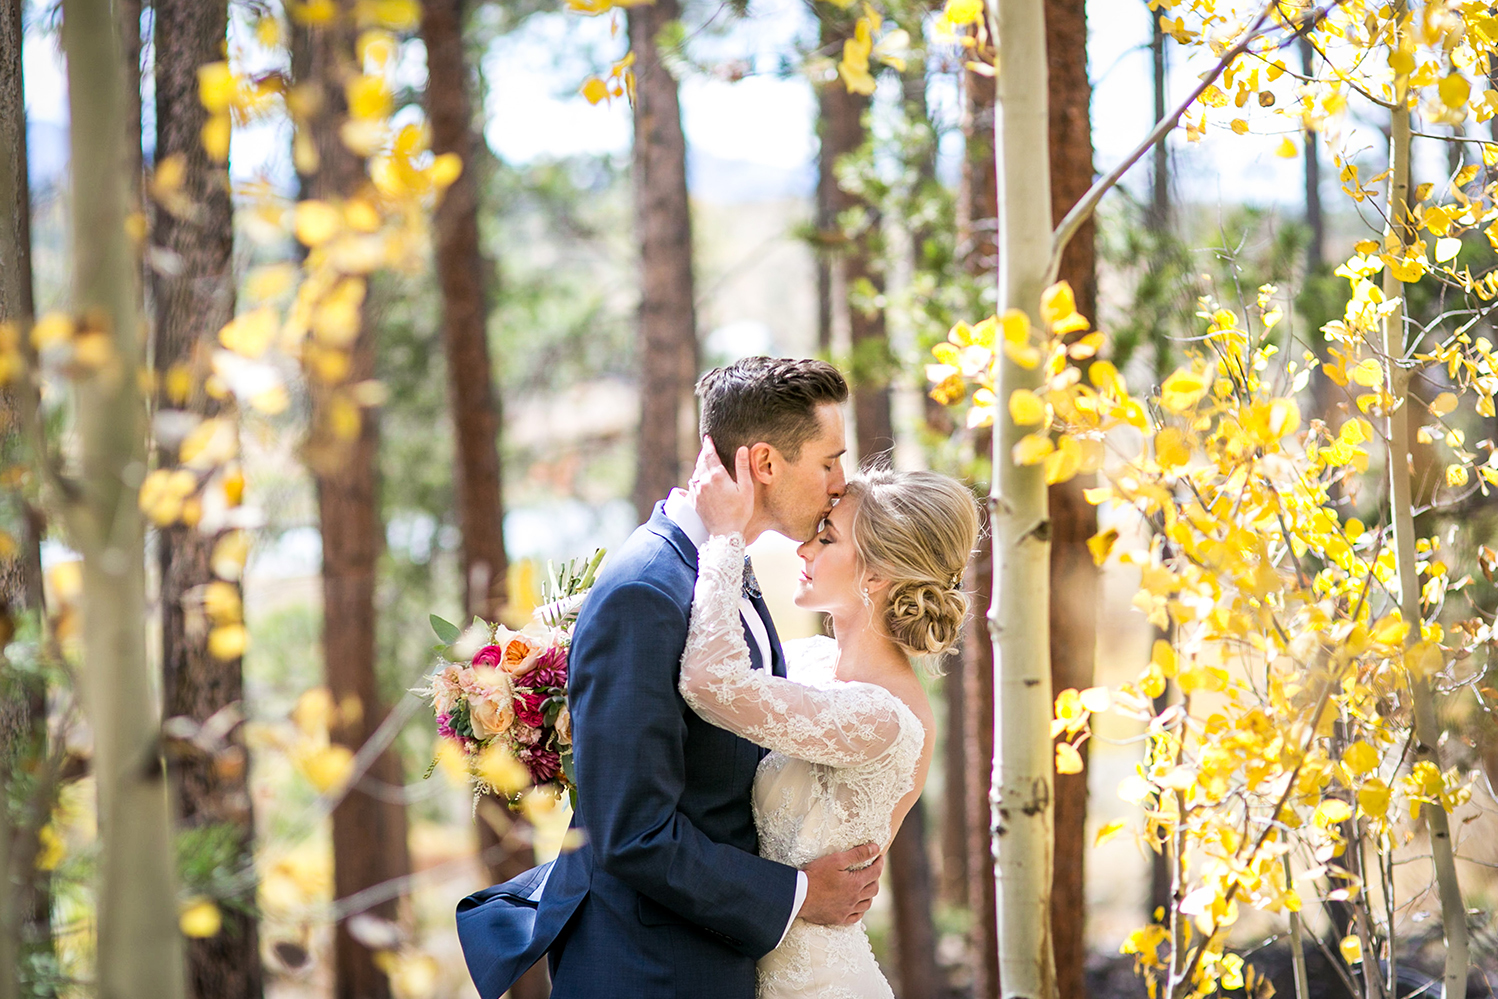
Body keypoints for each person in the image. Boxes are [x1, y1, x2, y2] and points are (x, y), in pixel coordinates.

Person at [457, 357, 887, 999]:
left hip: (707, 959)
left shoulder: (718, 565)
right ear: (766, 464)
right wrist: (798, 895)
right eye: (829, 461)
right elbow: (632, 831)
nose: (839, 483)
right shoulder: (647, 591)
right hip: (649, 970)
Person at [680, 441, 979, 998]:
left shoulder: (880, 718)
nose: (804, 547)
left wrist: (725, 536)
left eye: (828, 537)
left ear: (877, 575)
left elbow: (710, 683)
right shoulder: (810, 666)